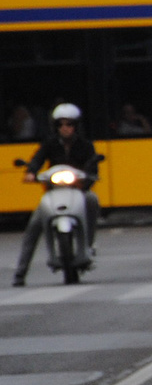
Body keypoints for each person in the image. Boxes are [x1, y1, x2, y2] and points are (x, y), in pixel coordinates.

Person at [13, 103, 99, 287]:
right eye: (60, 124)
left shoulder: (86, 145)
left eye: (69, 124)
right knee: (35, 224)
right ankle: (20, 272)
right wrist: (30, 171)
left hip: (78, 191)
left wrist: (87, 179)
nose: (65, 128)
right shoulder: (50, 143)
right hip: (54, 193)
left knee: (93, 200)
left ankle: (88, 245)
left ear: (76, 126)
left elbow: (93, 168)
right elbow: (37, 159)